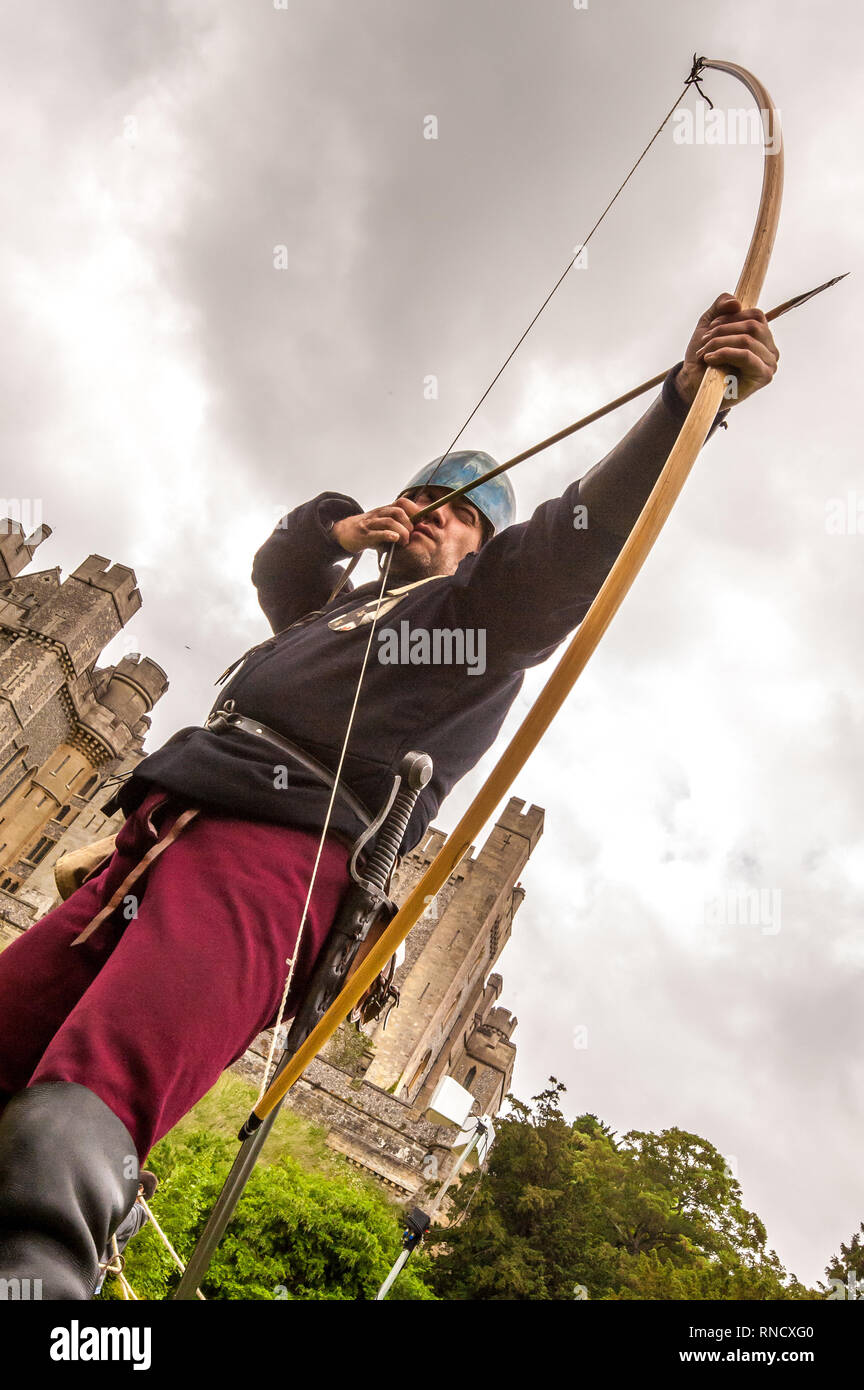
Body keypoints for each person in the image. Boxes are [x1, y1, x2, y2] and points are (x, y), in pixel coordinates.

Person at [0, 295, 779, 1299]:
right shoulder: (343, 609)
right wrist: (345, 523)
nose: (436, 515)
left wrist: (682, 404)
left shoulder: (473, 624)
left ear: (480, 547)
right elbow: (280, 560)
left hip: (279, 862)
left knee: (88, 1103)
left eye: (461, 514)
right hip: (147, 851)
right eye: (425, 497)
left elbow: (568, 549)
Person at [94, 1170, 158, 1296]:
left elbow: (107, 1229)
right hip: (90, 1269)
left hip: (89, 1270)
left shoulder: (134, 1213)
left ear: (140, 1188)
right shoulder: (131, 1210)